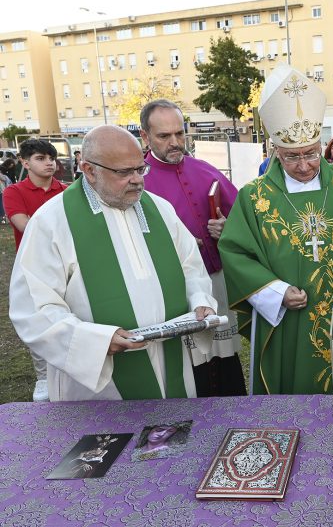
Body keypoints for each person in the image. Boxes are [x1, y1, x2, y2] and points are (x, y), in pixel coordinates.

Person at [218, 64, 333, 395]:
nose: (303, 165)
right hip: (291, 320)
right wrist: (274, 292)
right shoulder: (254, 196)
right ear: (275, 152)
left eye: (311, 154)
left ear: (321, 145)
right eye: (291, 157)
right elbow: (235, 253)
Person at [9, 125, 217, 401]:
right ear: (88, 169)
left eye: (140, 169)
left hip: (170, 360)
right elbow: (34, 308)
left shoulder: (160, 209)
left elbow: (190, 267)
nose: (137, 180)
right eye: (123, 172)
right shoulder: (51, 222)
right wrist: (96, 341)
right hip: (100, 381)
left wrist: (200, 300)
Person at [141, 99, 246, 397]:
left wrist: (227, 228)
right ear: (145, 136)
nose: (175, 143)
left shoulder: (205, 170)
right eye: (164, 136)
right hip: (174, 287)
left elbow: (242, 218)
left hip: (215, 281)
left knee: (223, 352)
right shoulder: (138, 183)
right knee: (189, 361)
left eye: (179, 133)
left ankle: (230, 405)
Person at [3, 138, 69, 402]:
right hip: (32, 268)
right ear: (25, 162)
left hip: (66, 266)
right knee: (39, 321)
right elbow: (24, 226)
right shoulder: (14, 192)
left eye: (51, 158)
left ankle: (68, 371)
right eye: (41, 158)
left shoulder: (66, 190)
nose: (49, 163)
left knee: (67, 316)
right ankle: (43, 377)